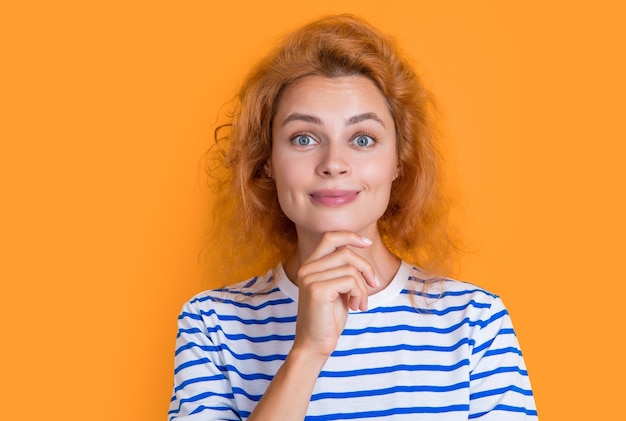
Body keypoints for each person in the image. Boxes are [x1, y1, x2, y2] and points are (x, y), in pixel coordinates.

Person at [168, 14, 537, 420]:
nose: (333, 163)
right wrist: (308, 351)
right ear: (268, 161)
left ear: (399, 160)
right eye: (304, 138)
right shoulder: (212, 323)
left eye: (362, 139)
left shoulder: (475, 323)